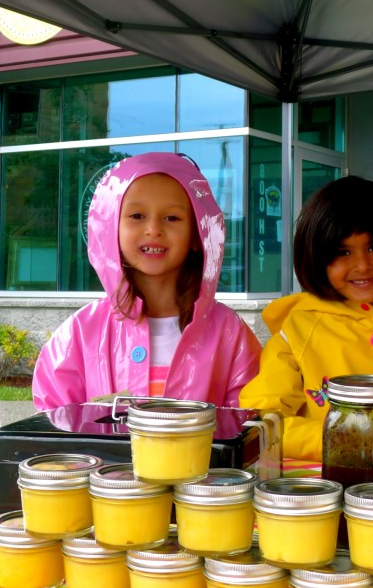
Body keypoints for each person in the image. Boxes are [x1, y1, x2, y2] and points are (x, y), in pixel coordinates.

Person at [239, 176, 373, 460]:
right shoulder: (297, 332)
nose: (362, 265)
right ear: (315, 257)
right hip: (334, 489)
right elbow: (261, 424)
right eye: (342, 252)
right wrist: (346, 440)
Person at [32, 152, 261, 410]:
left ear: (198, 234)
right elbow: (54, 422)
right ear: (109, 229)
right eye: (137, 216)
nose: (153, 229)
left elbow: (246, 426)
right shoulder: (81, 333)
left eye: (172, 218)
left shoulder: (230, 334)